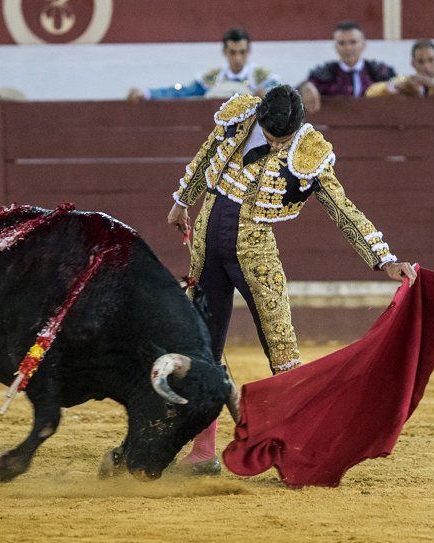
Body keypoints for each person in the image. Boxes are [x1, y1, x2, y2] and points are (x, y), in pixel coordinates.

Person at [167, 86, 416, 474]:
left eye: (281, 137)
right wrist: (182, 201)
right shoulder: (240, 115)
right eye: (268, 132)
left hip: (255, 253)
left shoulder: (309, 150)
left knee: (283, 350)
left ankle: (297, 448)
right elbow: (206, 156)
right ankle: (203, 450)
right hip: (206, 241)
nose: (272, 140)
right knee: (204, 347)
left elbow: (341, 208)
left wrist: (384, 259)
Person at [128, 28, 280, 101]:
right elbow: (182, 92)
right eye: (233, 52)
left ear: (248, 51)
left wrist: (269, 93)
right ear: (225, 52)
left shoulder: (263, 77)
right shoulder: (213, 77)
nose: (238, 58)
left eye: (242, 52)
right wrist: (148, 93)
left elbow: (285, 94)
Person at [298, 20, 395, 112]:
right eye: (341, 43)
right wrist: (305, 88)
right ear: (336, 47)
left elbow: (398, 84)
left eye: (353, 42)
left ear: (363, 44)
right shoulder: (324, 73)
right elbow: (300, 90)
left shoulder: (379, 71)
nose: (348, 48)